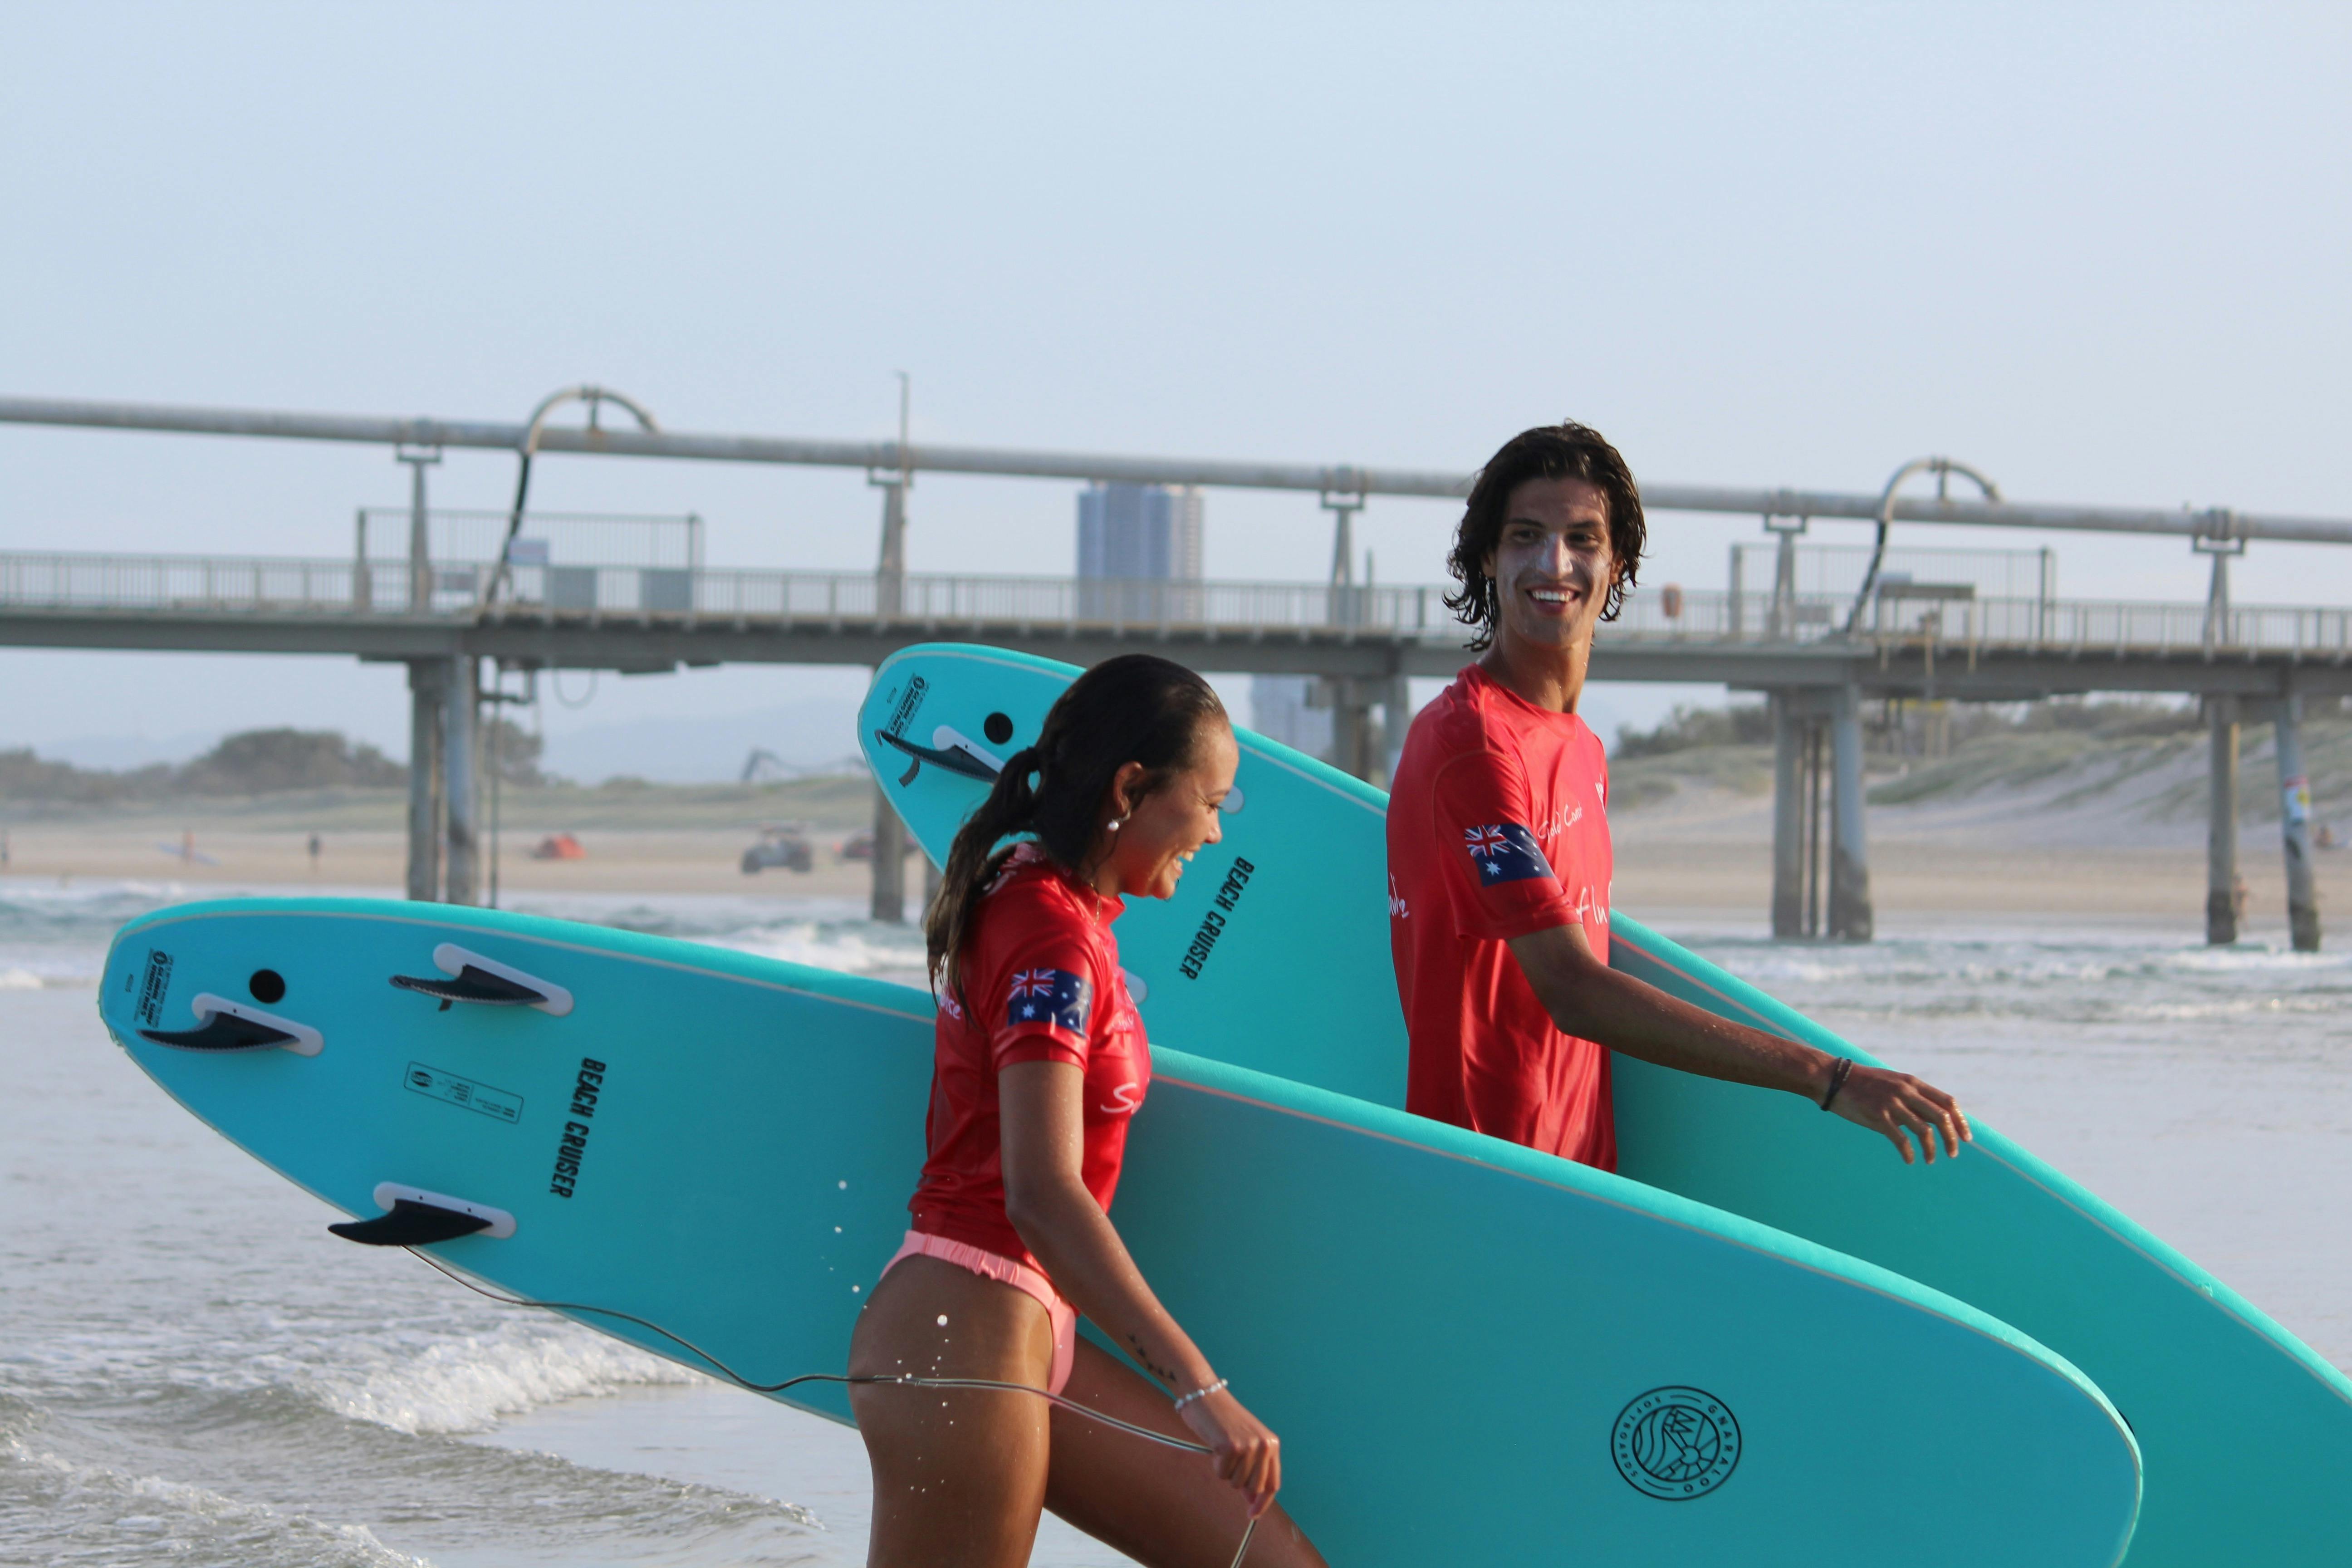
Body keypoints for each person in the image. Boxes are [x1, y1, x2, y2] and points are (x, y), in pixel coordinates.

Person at [848, 653, 1326, 1568]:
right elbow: (1042, 1192)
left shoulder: (1057, 909)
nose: (1217, 834)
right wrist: (1200, 1388)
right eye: (1211, 801)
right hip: (968, 1332)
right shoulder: (1049, 938)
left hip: (1028, 1327)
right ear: (1133, 787)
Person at [1387, 421, 1971, 1169]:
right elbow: (1571, 988)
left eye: (1583, 538)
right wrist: (1825, 1077)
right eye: (1526, 535)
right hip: (1490, 1184)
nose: (1554, 562)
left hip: (1581, 1183)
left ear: (1617, 564)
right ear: (1488, 558)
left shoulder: (1579, 748)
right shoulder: (1473, 747)